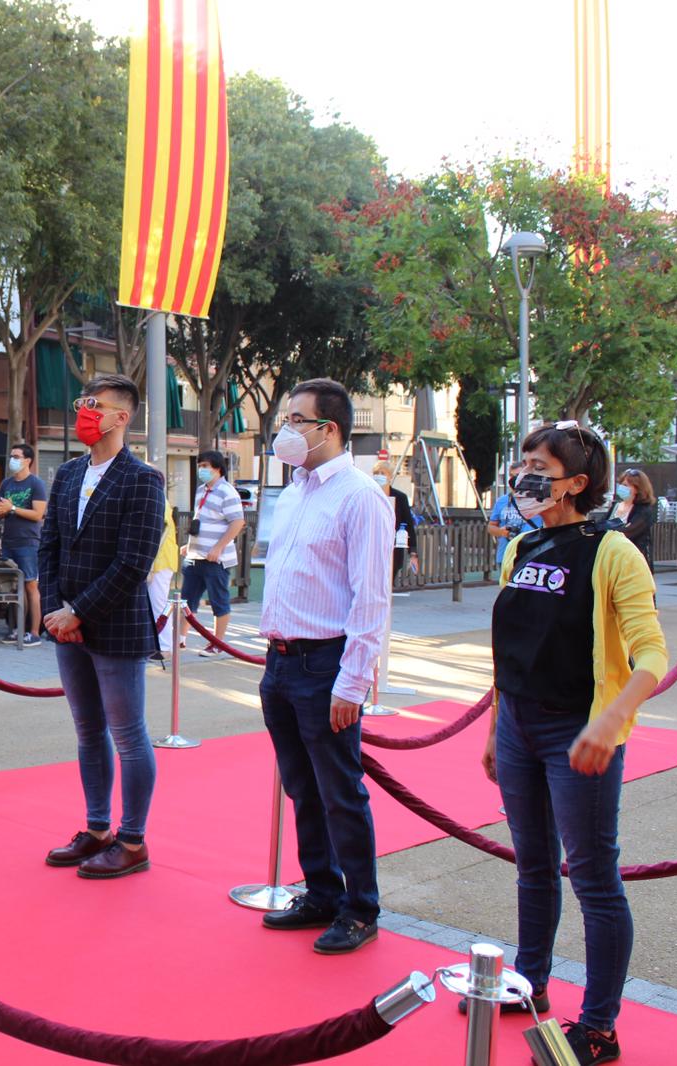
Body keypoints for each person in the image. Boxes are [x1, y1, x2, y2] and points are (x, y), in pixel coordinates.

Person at [483, 422, 666, 1065]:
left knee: (593, 878)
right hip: (518, 726)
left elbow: (652, 655)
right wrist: (494, 728)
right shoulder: (522, 546)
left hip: (578, 731)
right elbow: (510, 647)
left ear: (577, 483)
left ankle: (599, 1026)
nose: (524, 474)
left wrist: (611, 721)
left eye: (539, 464)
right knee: (533, 865)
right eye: (523, 461)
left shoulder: (614, 552)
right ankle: (530, 983)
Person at [257, 378, 391, 955]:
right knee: (301, 788)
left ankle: (360, 908)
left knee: (340, 792)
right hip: (280, 660)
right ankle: (320, 892)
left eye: (295, 420)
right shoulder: (294, 490)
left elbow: (371, 598)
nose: (285, 430)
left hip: (325, 661)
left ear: (327, 428)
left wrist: (354, 680)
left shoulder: (361, 496)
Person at [38, 374, 165, 879]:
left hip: (115, 625)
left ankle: (133, 840)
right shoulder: (67, 474)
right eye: (82, 403)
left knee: (128, 735)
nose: (85, 412)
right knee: (88, 732)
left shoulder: (142, 479)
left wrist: (80, 611)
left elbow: (135, 561)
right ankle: (96, 829)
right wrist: (55, 611)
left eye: (96, 405)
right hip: (66, 624)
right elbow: (48, 547)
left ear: (122, 417)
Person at [179, 450, 246, 657]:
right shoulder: (201, 490)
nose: (202, 470)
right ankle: (180, 639)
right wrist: (189, 546)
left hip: (216, 560)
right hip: (195, 556)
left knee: (219, 601)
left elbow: (237, 522)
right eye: (200, 466)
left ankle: (217, 643)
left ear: (218, 468)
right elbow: (202, 520)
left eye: (205, 466)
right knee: (186, 601)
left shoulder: (227, 492)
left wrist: (218, 547)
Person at [0, 442, 47, 647]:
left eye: (16, 457)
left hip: (28, 542)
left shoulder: (36, 484)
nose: (12, 460)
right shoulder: (6, 483)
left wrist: (13, 508)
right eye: (12, 456)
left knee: (31, 585)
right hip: (9, 540)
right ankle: (16, 629)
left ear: (27, 460)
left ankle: (34, 633)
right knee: (13, 588)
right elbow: (0, 508)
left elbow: (38, 514)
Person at [489, 460, 542, 568]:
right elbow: (491, 527)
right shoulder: (502, 501)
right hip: (506, 555)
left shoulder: (539, 500)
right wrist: (502, 532)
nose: (514, 479)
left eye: (518, 475)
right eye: (511, 475)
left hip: (530, 555)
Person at [371, 460, 418, 582]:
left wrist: (413, 552)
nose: (379, 475)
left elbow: (408, 523)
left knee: (388, 582)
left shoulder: (400, 497)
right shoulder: (368, 494)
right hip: (372, 546)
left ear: (390, 477)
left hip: (394, 549)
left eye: (383, 473)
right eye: (376, 473)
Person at [146, 499, 179, 659]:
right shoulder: (156, 499)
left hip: (160, 561)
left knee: (158, 603)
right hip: (155, 561)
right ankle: (156, 644)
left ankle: (164, 646)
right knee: (154, 603)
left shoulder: (159, 500)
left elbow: (160, 532)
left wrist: (149, 564)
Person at [610, 468, 656, 570]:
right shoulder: (615, 506)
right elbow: (601, 526)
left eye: (626, 485)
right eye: (621, 484)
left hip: (634, 563)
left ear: (638, 489)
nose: (622, 487)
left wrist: (607, 531)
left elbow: (628, 532)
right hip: (612, 561)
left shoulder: (644, 510)